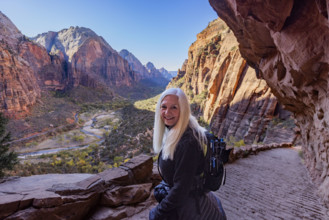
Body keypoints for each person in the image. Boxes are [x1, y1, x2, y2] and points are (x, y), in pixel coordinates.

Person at [149, 88, 226, 220]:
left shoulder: (188, 142)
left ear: (183, 110)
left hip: (190, 203)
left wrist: (159, 212)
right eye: (164, 107)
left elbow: (181, 189)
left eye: (174, 107)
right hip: (190, 196)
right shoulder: (176, 131)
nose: (167, 112)